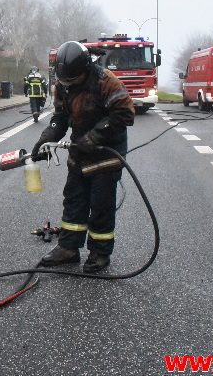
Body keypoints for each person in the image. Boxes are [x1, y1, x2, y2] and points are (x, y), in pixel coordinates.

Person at [31, 41, 135, 273]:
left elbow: (125, 114)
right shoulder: (64, 84)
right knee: (74, 200)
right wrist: (46, 138)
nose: (67, 85)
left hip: (106, 154)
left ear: (85, 69)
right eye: (64, 80)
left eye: (72, 81)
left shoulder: (105, 82)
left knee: (101, 206)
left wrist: (94, 137)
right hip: (79, 154)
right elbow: (59, 117)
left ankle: (99, 253)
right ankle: (68, 248)